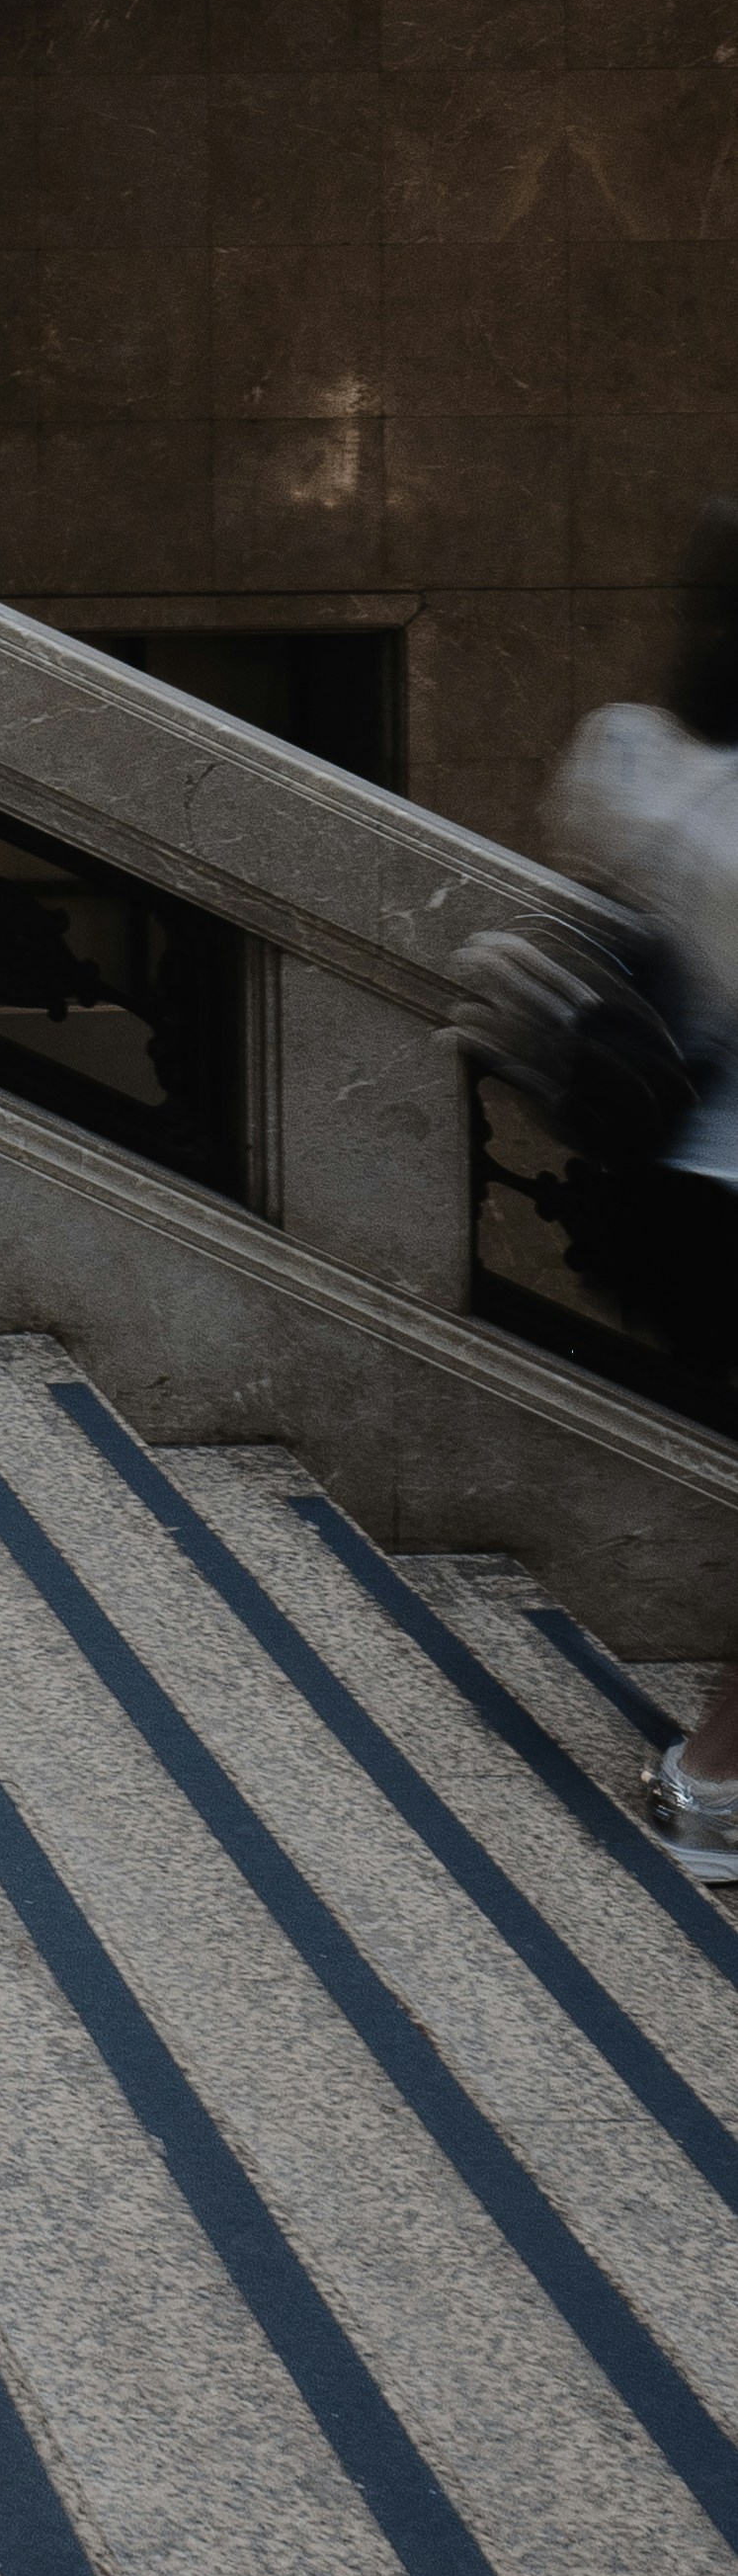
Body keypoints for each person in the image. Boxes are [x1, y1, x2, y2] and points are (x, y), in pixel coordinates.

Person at [534, 505, 738, 1875]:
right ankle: (717, 1783)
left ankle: (719, 1777)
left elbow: (583, 828)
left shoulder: (656, 766)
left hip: (693, 1194)